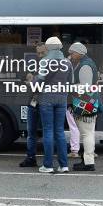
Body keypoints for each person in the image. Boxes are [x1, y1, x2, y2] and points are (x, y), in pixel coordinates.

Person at [35, 37, 71, 174]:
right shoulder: (67, 63)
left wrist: (31, 83)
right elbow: (70, 81)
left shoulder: (45, 62)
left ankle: (48, 165)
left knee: (48, 131)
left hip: (47, 98)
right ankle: (64, 165)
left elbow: (40, 80)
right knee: (60, 131)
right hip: (62, 98)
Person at [68, 42, 99, 171]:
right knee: (89, 133)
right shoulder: (89, 63)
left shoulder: (84, 66)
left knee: (87, 134)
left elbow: (85, 88)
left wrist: (70, 87)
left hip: (84, 103)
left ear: (80, 53)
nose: (70, 55)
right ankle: (88, 160)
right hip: (90, 102)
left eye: (72, 53)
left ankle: (88, 162)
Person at [19, 42, 47, 167]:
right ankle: (31, 158)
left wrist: (32, 81)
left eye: (43, 52)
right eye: (38, 53)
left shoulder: (50, 65)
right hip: (33, 101)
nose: (40, 55)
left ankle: (48, 160)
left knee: (48, 132)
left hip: (46, 101)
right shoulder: (36, 64)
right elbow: (22, 76)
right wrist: (27, 76)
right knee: (31, 132)